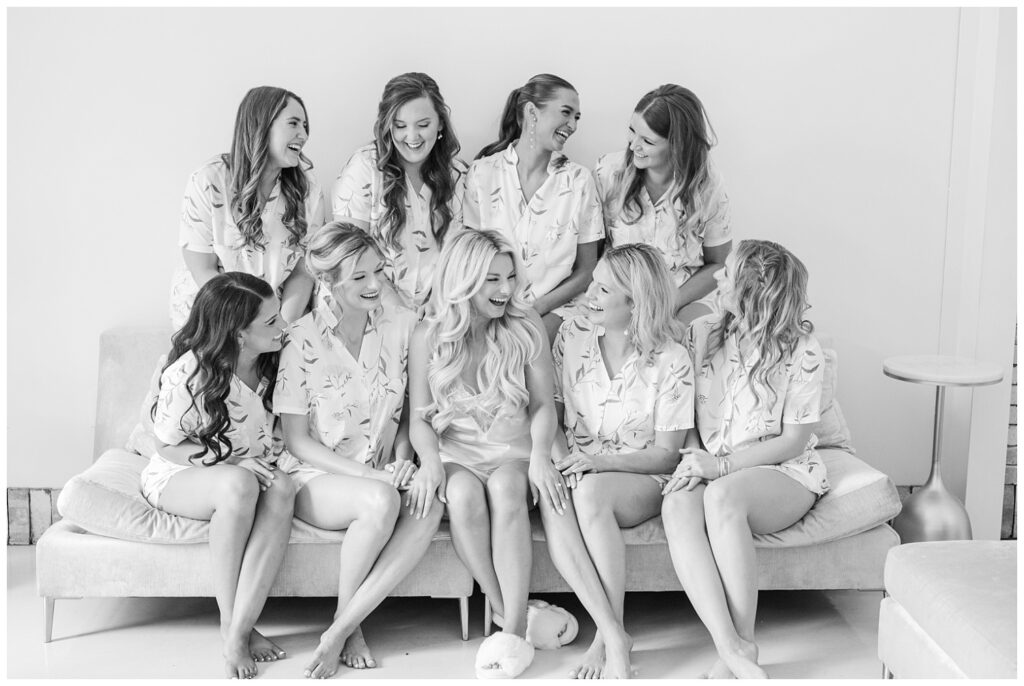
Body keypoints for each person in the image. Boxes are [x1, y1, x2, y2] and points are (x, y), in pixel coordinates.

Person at [273, 222, 442, 679]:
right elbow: (296, 440)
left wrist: (406, 460)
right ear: (328, 280)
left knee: (429, 503)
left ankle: (339, 627)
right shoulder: (298, 337)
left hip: (383, 469)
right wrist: (371, 477)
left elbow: (412, 413)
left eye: (379, 272)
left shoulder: (406, 328)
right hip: (316, 473)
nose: (375, 285)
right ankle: (352, 628)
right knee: (382, 499)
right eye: (360, 277)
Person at [660, 239, 830, 679]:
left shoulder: (802, 350)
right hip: (712, 463)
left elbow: (793, 441)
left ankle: (744, 639)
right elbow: (688, 412)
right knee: (677, 503)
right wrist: (696, 455)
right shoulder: (701, 333)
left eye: (727, 274)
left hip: (781, 471)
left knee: (721, 497)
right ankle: (730, 647)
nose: (716, 277)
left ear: (754, 291)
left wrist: (721, 468)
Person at [407, 229, 570, 678]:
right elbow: (419, 417)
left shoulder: (527, 324)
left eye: (510, 277)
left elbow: (542, 405)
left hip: (513, 449)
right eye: (491, 280)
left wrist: (539, 456)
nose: (505, 290)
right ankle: (506, 613)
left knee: (504, 487)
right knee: (460, 497)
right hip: (457, 451)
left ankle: (513, 630)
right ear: (463, 280)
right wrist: (431, 461)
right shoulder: (427, 335)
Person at [540, 244, 694, 679]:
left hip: (640, 476)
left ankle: (606, 636)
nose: (589, 293)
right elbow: (548, 412)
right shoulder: (571, 335)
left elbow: (666, 455)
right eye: (594, 282)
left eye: (603, 289)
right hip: (578, 464)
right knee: (556, 496)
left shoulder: (671, 359)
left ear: (636, 303)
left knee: (589, 493)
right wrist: (564, 462)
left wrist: (598, 465)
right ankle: (613, 635)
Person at [141, 272, 294, 679]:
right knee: (239, 484)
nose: (284, 327)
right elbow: (166, 445)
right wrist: (227, 464)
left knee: (281, 488)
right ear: (239, 334)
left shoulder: (277, 359)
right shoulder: (189, 374)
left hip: (250, 467)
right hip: (181, 471)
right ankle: (233, 628)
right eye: (272, 322)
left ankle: (240, 624)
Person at [169, 86, 325, 330]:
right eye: (293, 124)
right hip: (216, 317)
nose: (303, 135)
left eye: (305, 126)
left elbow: (303, 272)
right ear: (261, 125)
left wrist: (280, 326)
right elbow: (203, 270)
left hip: (276, 320)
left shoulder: (307, 191)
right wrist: (246, 325)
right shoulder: (209, 181)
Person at [464, 74, 604, 343]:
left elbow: (587, 270)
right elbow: (470, 260)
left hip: (553, 310)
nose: (573, 125)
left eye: (577, 117)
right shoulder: (482, 174)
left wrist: (535, 311)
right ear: (532, 112)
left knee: (531, 343)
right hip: (490, 305)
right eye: (566, 112)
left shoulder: (578, 181)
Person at [594, 85, 731, 327]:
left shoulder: (707, 185)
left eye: (647, 140)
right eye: (632, 131)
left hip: (682, 298)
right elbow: (592, 254)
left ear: (677, 145)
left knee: (688, 339)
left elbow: (718, 263)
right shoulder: (608, 172)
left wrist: (670, 303)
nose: (633, 145)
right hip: (620, 298)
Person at [332, 72, 467, 313]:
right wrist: (400, 313)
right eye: (400, 126)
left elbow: (462, 256)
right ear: (387, 126)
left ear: (440, 124)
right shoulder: (365, 168)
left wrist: (437, 302)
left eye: (423, 125)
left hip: (437, 312)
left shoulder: (458, 176)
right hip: (370, 306)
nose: (412, 137)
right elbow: (349, 255)